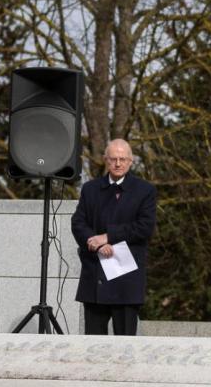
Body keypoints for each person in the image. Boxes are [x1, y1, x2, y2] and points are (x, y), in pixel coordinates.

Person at [72, 138, 157, 336]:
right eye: (113, 159)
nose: (118, 164)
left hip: (126, 280)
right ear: (105, 160)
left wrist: (108, 237)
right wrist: (97, 243)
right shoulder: (90, 189)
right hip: (95, 277)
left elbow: (144, 228)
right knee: (93, 345)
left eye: (122, 159)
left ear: (130, 161)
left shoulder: (145, 190)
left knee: (125, 347)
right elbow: (78, 223)